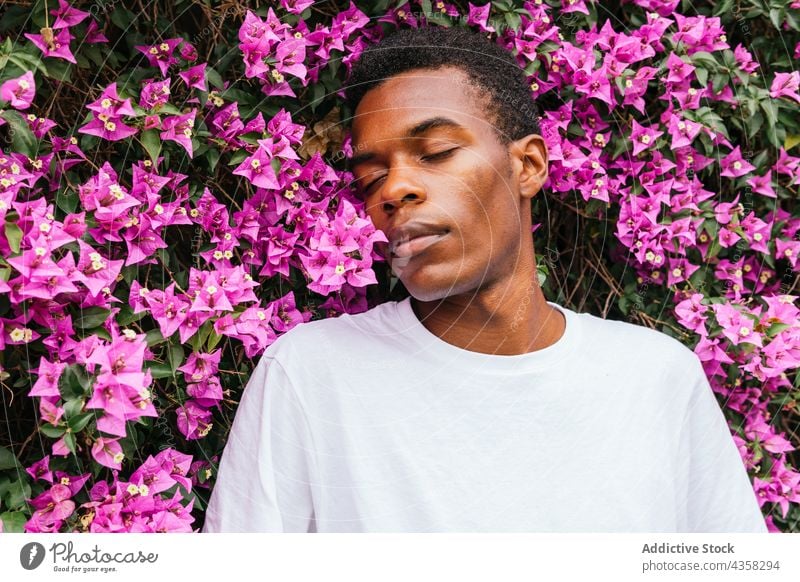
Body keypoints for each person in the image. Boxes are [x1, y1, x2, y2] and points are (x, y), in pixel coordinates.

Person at [202, 27, 767, 533]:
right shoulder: (310, 376)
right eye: (373, 176)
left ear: (527, 167)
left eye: (437, 152)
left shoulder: (656, 377)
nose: (394, 190)